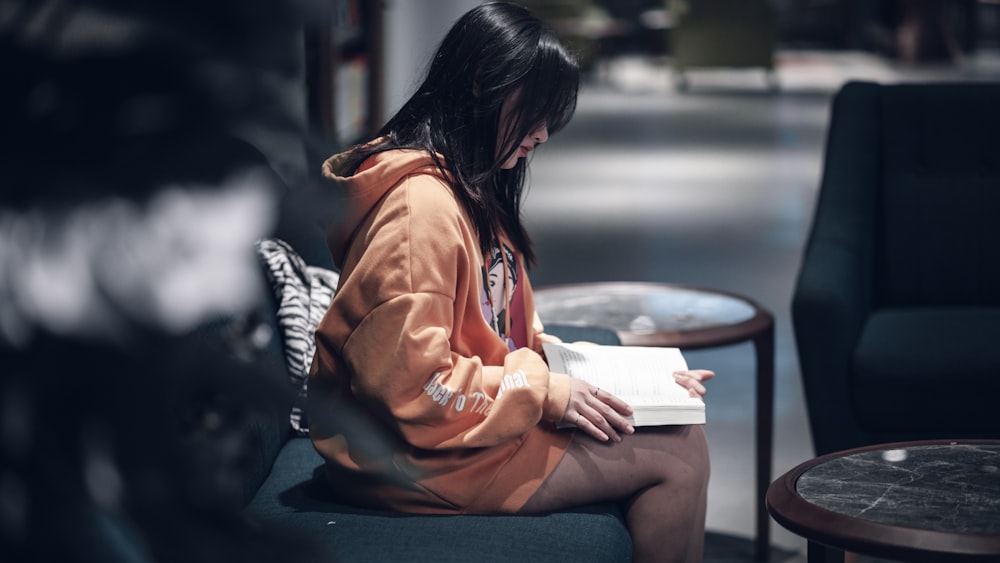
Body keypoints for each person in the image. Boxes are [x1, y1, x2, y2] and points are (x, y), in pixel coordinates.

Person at [307, 3, 713, 562]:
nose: (543, 135)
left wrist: (642, 385)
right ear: (482, 85)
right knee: (678, 459)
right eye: (536, 114)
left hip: (458, 432)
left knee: (680, 432)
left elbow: (499, 332)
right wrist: (545, 391)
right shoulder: (418, 211)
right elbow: (412, 388)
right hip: (412, 458)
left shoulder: (466, 184)